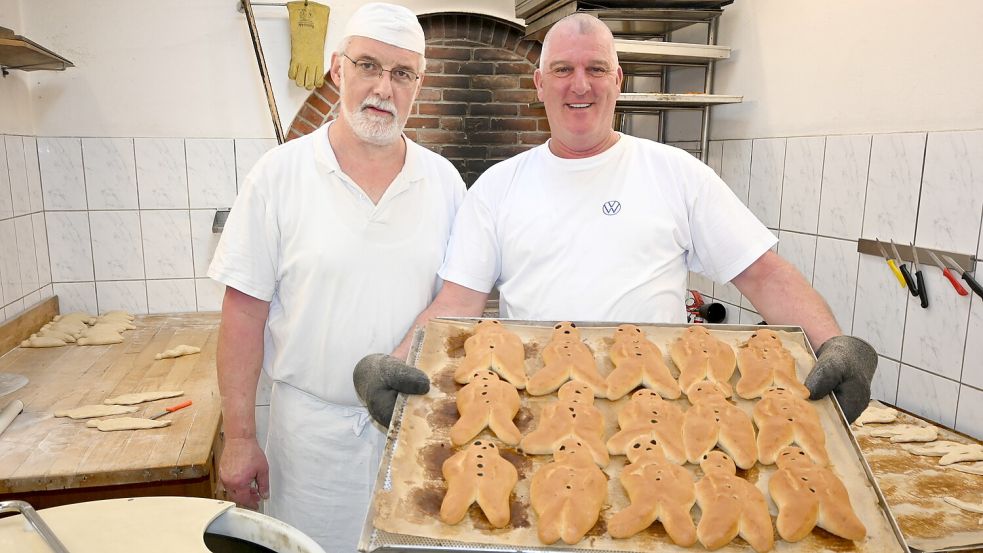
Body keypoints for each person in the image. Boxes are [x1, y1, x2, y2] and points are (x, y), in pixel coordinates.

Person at [354, 13, 876, 427]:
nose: (579, 85)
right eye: (563, 70)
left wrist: (834, 344)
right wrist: (397, 364)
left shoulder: (674, 173)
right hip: (539, 416)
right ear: (539, 83)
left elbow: (761, 272)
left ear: (617, 80)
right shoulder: (497, 187)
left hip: (660, 417)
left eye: (595, 69)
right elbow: (456, 304)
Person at [208, 3, 465, 550]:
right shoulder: (280, 175)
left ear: (419, 84)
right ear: (337, 69)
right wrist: (240, 438)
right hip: (310, 444)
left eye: (402, 74)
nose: (383, 87)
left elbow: (457, 303)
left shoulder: (442, 182)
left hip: (413, 433)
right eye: (368, 65)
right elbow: (242, 314)